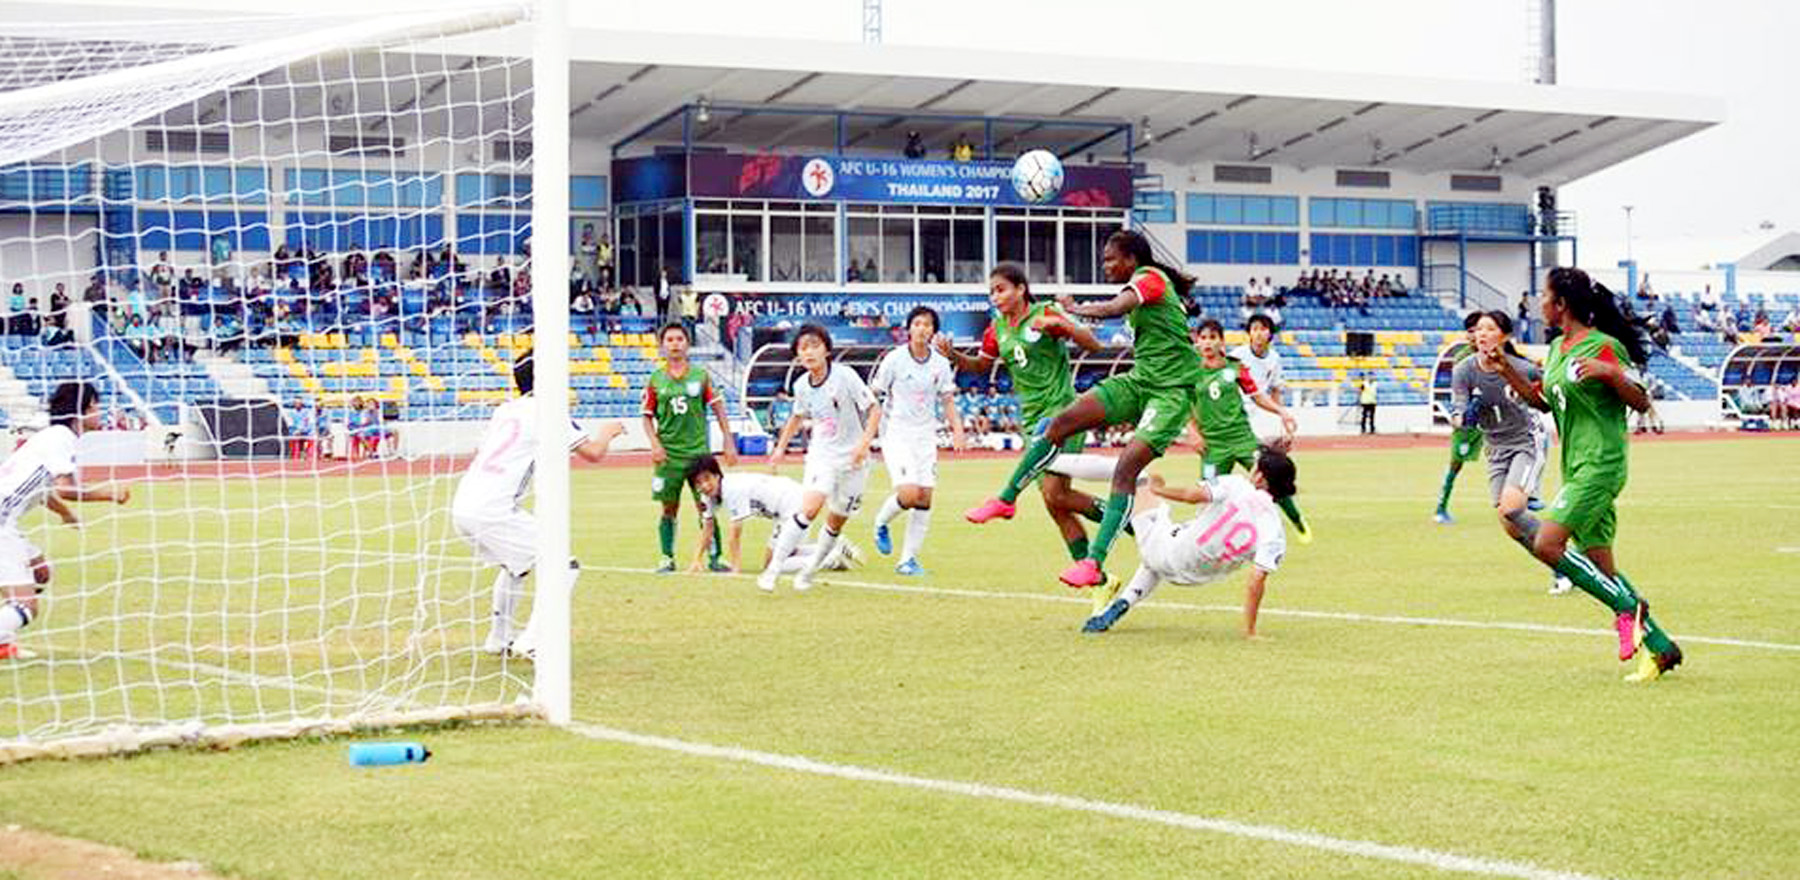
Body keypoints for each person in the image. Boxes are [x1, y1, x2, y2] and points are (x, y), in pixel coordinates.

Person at [965, 230, 1202, 590]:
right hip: (1139, 381)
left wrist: (1073, 311)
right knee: (1058, 426)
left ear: (1131, 259)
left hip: (1170, 394)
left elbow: (1116, 308)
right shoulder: (999, 327)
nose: (1105, 265)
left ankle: (1094, 562)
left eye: (1110, 259)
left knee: (1124, 469)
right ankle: (1006, 500)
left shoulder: (1150, 279)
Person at [1490, 266, 1683, 682]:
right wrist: (1505, 369)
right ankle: (1662, 647)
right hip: (1575, 465)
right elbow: (1543, 401)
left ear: (1561, 304)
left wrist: (1612, 374)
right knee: (1602, 568)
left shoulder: (1605, 347)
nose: (1539, 301)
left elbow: (1641, 400)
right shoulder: (1559, 348)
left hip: (1601, 464)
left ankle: (1628, 608)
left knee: (1546, 543)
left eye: (1544, 295)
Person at [453, 352, 621, 659]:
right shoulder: (548, 411)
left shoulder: (505, 410)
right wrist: (607, 432)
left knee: (515, 565)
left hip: (464, 502)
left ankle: (498, 638)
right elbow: (594, 453)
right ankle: (532, 640)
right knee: (564, 564)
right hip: (493, 508)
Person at [938, 264, 1108, 567]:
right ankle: (1111, 544)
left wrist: (1064, 327)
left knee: (1055, 493)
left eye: (1001, 289)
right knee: (1055, 500)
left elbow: (1094, 345)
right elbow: (980, 366)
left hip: (1063, 411)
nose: (995, 296)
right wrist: (953, 356)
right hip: (1030, 419)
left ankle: (1005, 500)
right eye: (991, 291)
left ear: (1020, 289)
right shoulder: (996, 329)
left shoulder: (1046, 312)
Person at [1075, 447, 1297, 639]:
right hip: (1190, 577)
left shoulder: (1237, 485)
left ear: (1259, 477)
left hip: (1168, 549)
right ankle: (1122, 603)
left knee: (1135, 475)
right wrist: (1250, 631)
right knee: (1157, 555)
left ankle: (1049, 461)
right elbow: (1255, 582)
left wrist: (1160, 489)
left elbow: (1192, 495)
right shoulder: (1275, 532)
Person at [0, 382, 133, 660]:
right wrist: (109, 493)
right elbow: (65, 488)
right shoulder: (61, 437)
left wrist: (64, 514)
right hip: (2, 521)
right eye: (96, 406)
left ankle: (4, 643)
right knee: (27, 606)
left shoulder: (52, 436)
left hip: (6, 518)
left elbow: (42, 489)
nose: (100, 412)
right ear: (81, 412)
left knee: (40, 573)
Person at [1453, 310, 1570, 595]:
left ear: (1504, 336)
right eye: (1478, 329)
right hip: (1495, 449)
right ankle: (1561, 564)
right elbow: (1456, 412)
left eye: (1490, 329)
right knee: (1510, 526)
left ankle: (1567, 565)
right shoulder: (1464, 370)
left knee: (1512, 507)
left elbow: (1549, 395)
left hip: (1526, 442)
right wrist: (1464, 419)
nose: (1481, 334)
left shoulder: (1523, 369)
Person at [763, 324, 883, 593]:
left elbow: (874, 409)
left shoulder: (846, 376)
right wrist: (780, 448)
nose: (809, 352)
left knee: (836, 521)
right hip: (822, 456)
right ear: (797, 355)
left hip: (854, 461)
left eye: (814, 345)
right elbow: (796, 416)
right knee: (809, 509)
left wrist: (864, 443)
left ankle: (809, 571)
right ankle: (773, 570)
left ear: (826, 350)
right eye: (803, 348)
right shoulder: (801, 385)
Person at [868, 306, 966, 575]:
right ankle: (881, 521)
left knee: (924, 498)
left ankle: (907, 560)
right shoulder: (894, 360)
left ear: (934, 331)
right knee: (909, 494)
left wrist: (957, 428)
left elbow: (947, 399)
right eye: (918, 324)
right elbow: (874, 395)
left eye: (928, 325)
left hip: (925, 436)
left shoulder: (940, 363)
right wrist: (867, 434)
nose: (922, 329)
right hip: (897, 434)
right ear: (909, 328)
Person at [1193, 318, 1307, 539]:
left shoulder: (1236, 367)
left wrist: (1281, 412)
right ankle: (1204, 541)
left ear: (1221, 342)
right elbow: (1184, 404)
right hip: (1212, 446)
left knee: (1270, 475)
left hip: (1242, 438)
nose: (1207, 343)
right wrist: (1194, 433)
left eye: (1213, 338)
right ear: (1197, 342)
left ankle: (1297, 521)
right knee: (1207, 495)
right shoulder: (1189, 371)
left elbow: (1257, 397)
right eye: (1203, 338)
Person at [642, 322, 737, 573]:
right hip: (668, 456)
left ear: (688, 343)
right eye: (670, 339)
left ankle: (715, 557)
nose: (675, 343)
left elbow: (718, 407)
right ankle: (666, 557)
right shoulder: (655, 379)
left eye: (679, 339)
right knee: (668, 507)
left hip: (698, 454)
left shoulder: (701, 375)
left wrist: (728, 440)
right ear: (662, 346)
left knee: (706, 506)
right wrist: (654, 444)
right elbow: (646, 416)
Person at [685, 455, 862, 575]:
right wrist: (696, 559)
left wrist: (736, 568)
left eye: (707, 479)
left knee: (773, 564)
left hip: (792, 503)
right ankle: (834, 546)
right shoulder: (706, 496)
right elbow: (707, 528)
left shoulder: (731, 489)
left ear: (717, 476)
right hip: (786, 506)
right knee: (787, 553)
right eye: (698, 483)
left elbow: (735, 533)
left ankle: (830, 559)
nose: (704, 485)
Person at [1434, 312, 1487, 524]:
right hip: (1470, 419)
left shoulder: (1495, 353)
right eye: (1475, 330)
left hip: (1493, 417)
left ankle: (1521, 500)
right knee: (1456, 463)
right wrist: (1459, 413)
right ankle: (1440, 507)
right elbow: (1460, 390)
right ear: (1468, 334)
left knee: (1510, 452)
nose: (1479, 334)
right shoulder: (1463, 358)